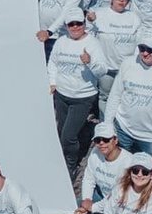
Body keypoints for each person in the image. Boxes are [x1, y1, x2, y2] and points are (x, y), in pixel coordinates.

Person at [47, 12, 110, 173]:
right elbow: (53, 63)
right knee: (61, 131)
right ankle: (63, 157)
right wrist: (53, 82)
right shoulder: (61, 41)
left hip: (82, 97)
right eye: (71, 24)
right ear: (66, 26)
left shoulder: (93, 43)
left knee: (68, 137)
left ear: (84, 24)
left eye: (79, 23)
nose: (75, 27)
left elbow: (102, 70)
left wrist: (90, 63)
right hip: (61, 95)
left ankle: (70, 165)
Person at [69, 123, 135, 214]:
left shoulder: (128, 162)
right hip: (101, 196)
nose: (101, 143)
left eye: (106, 139)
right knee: (76, 205)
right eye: (97, 140)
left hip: (123, 205)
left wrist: (92, 208)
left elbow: (119, 197)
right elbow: (89, 178)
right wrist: (86, 200)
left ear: (115, 140)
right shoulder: (95, 153)